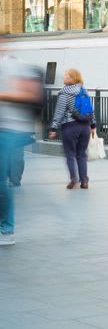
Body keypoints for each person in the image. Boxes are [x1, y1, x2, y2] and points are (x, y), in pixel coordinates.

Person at [0, 53, 42, 245]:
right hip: (8, 130)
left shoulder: (16, 66)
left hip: (9, 129)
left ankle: (6, 230)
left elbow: (31, 95)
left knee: (1, 183)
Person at [49, 69, 96, 189]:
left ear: (72, 78)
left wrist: (53, 127)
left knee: (70, 154)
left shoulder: (65, 92)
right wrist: (93, 125)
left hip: (70, 126)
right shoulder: (83, 91)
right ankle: (84, 181)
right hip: (85, 127)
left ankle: (74, 179)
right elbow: (91, 110)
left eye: (66, 76)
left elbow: (59, 111)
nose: (63, 78)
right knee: (82, 155)